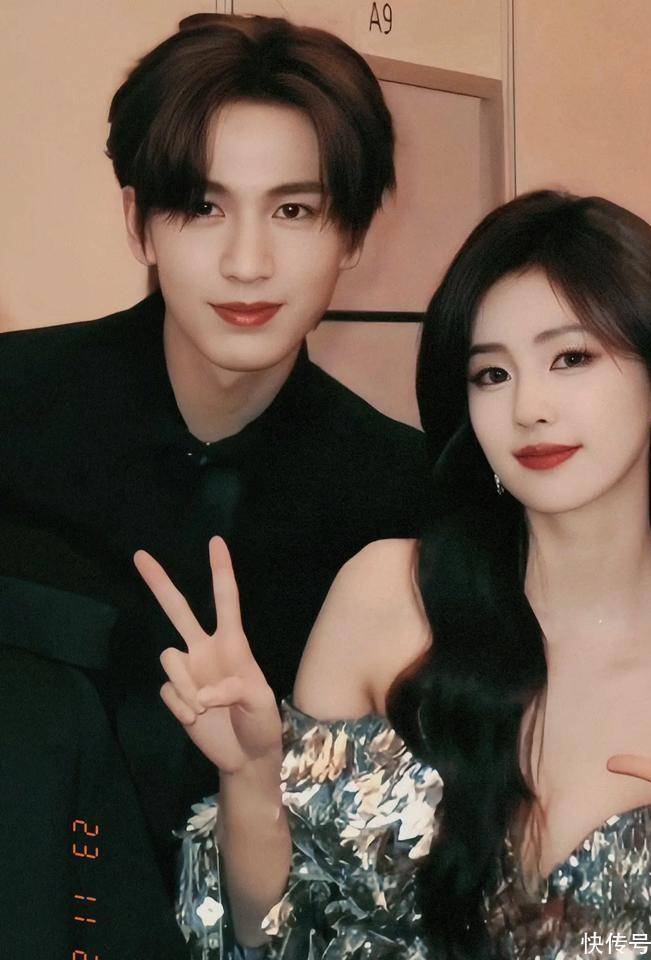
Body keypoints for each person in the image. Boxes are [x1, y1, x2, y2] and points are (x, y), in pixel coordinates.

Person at [138, 191, 651, 959]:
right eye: (491, 374)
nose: (529, 407)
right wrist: (252, 772)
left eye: (571, 358)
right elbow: (270, 935)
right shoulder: (387, 598)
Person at [0, 14, 426, 959]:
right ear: (137, 223)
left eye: (294, 211)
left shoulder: (404, 498)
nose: (247, 262)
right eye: (202, 206)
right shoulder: (14, 408)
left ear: (353, 234)